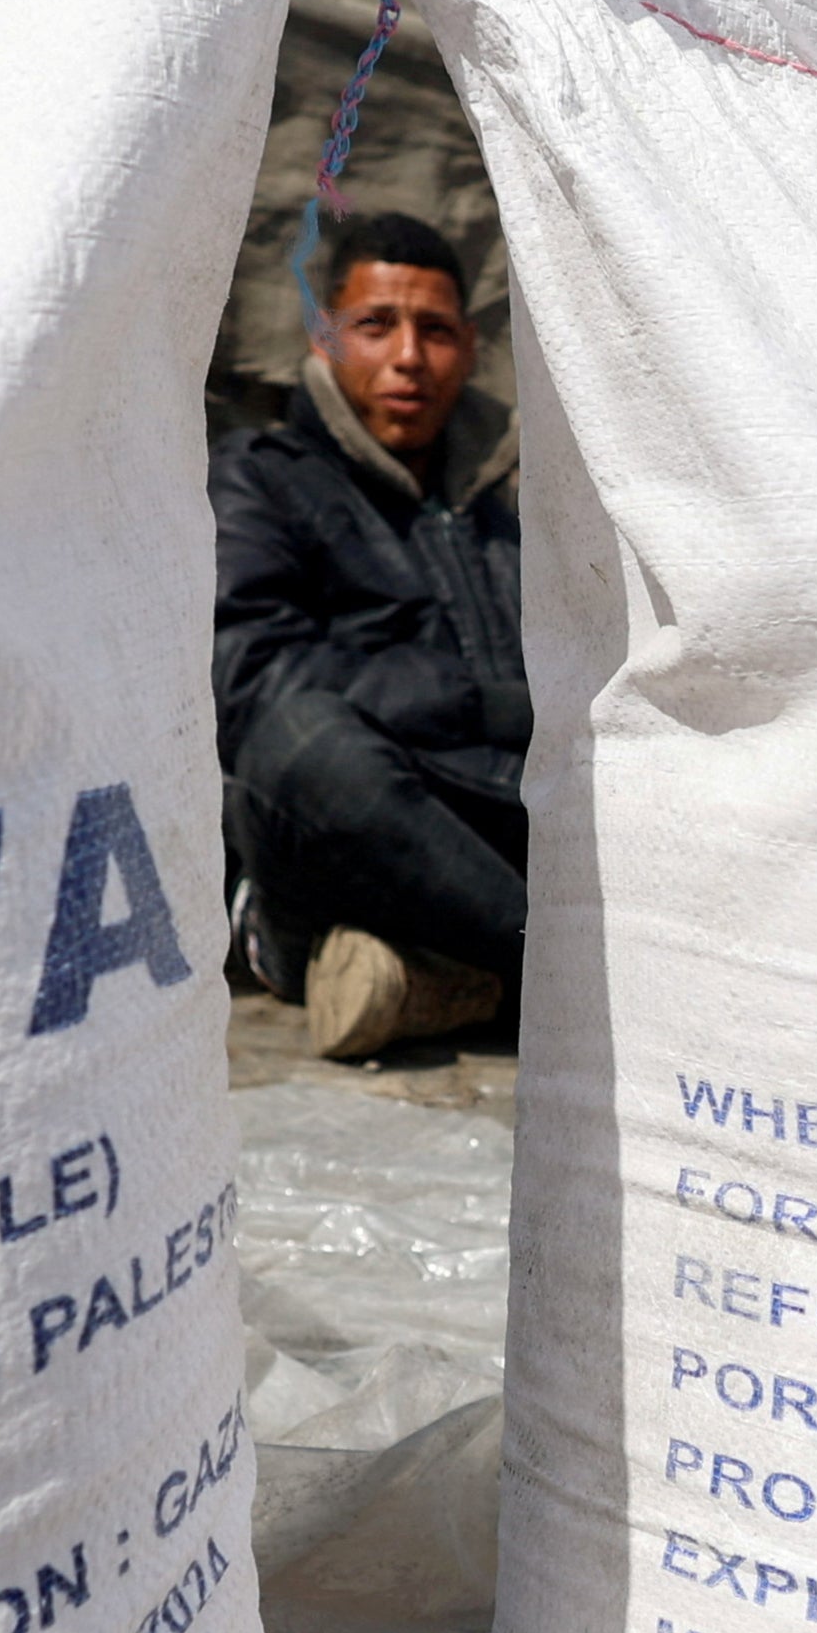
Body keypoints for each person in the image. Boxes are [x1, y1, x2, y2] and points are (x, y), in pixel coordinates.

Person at [213, 211, 528, 1059]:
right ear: (324, 340)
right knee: (309, 748)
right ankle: (573, 980)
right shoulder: (259, 481)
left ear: (467, 349)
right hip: (352, 824)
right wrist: (486, 706)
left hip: (502, 817)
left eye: (434, 331)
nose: (408, 358)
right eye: (376, 325)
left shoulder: (510, 510)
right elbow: (252, 681)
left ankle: (442, 981)